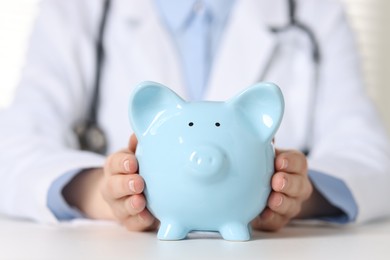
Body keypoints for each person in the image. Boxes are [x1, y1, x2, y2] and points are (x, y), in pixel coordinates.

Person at [0, 0, 389, 233]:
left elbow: (373, 158)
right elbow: (11, 147)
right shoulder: (80, 9)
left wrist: (295, 195)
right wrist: (102, 193)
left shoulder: (311, 10)